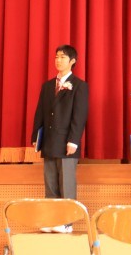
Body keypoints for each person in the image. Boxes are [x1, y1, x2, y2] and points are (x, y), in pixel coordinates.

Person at [32, 45, 89, 233]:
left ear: (72, 61)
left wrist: (74, 140)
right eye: (56, 56)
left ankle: (67, 222)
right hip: (49, 141)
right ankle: (52, 220)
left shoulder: (79, 85)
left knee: (66, 183)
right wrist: (36, 136)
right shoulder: (48, 85)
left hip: (67, 142)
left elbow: (79, 116)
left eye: (63, 57)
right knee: (50, 183)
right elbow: (40, 112)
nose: (58, 60)